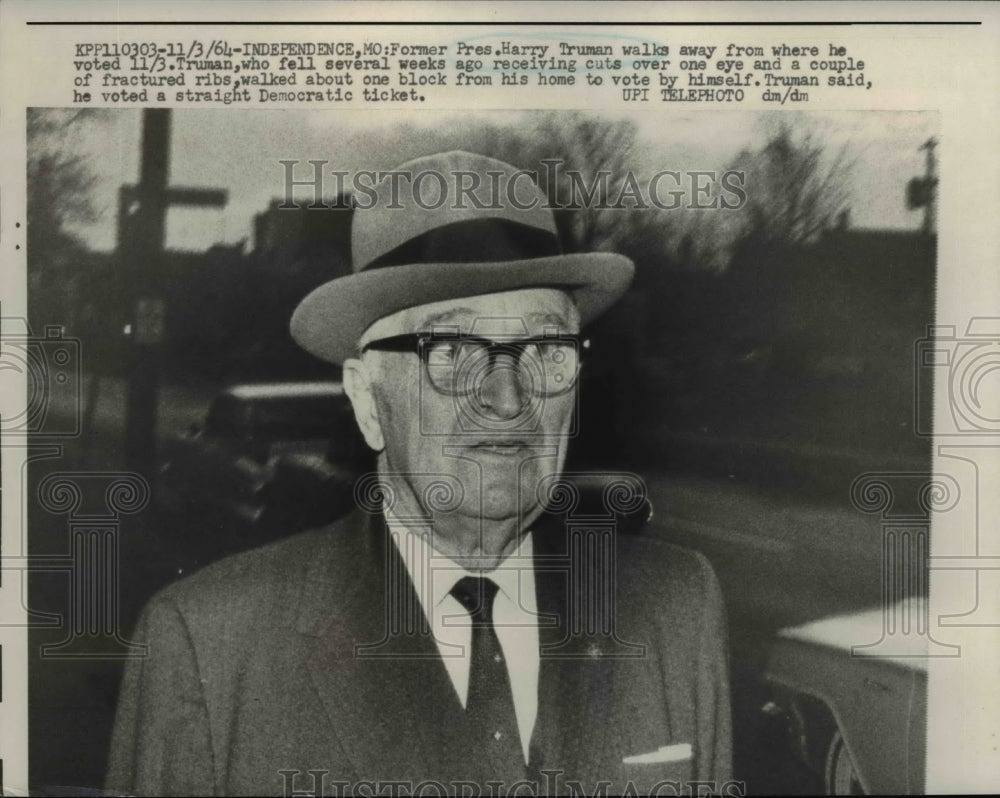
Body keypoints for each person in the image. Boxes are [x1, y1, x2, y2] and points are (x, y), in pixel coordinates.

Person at [106, 151, 731, 796]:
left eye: (545, 349)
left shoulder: (674, 609)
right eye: (452, 350)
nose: (508, 398)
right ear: (367, 400)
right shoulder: (208, 646)